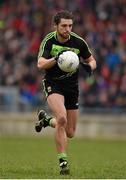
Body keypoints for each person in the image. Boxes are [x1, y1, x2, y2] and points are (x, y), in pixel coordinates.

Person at [35, 10, 97, 175]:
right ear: (55, 25)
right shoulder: (49, 40)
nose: (67, 29)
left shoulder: (78, 42)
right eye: (63, 25)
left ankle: (47, 121)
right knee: (61, 117)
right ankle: (63, 162)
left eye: (70, 25)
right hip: (53, 84)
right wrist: (56, 59)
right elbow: (40, 64)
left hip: (71, 87)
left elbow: (92, 60)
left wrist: (89, 67)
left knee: (70, 132)